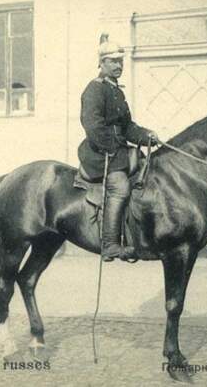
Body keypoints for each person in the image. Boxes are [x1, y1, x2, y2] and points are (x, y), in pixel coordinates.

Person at [78, 34, 158, 262]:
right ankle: (111, 244)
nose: (118, 65)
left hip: (118, 150)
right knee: (120, 187)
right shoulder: (94, 89)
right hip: (100, 151)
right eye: (112, 61)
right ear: (101, 63)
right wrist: (112, 149)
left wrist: (146, 136)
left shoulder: (117, 91)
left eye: (120, 61)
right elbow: (92, 125)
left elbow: (128, 126)